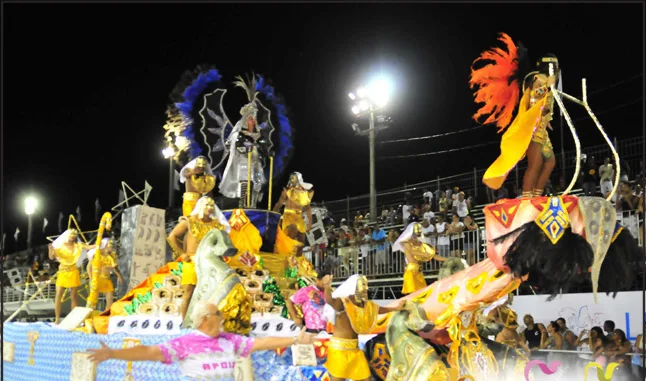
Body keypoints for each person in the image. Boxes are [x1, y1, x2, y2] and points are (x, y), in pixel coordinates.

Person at [88, 300, 316, 380]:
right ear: (206, 319)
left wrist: (295, 339)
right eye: (218, 314)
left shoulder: (231, 341)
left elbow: (262, 343)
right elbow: (148, 352)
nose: (223, 317)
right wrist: (114, 353)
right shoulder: (186, 343)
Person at [470, 33, 560, 198]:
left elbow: (542, 105)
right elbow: (535, 101)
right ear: (551, 67)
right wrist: (547, 93)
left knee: (549, 162)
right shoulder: (540, 80)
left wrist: (546, 120)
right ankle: (527, 198)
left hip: (541, 130)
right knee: (536, 164)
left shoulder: (543, 80)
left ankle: (536, 195)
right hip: (533, 131)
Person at [322, 274, 405, 381]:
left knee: (365, 378)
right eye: (363, 285)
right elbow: (330, 300)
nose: (366, 288)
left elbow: (378, 310)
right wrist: (326, 286)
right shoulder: (343, 303)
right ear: (354, 287)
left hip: (355, 349)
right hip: (339, 349)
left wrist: (396, 308)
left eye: (366, 285)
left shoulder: (366, 305)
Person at [167, 196, 231, 319]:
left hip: (211, 263)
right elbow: (172, 237)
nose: (210, 208)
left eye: (212, 206)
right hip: (192, 261)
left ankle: (206, 322)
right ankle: (184, 322)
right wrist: (182, 253)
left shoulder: (216, 225)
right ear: (201, 206)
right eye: (207, 205)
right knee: (189, 293)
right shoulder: (189, 221)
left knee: (211, 293)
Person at [219, 77, 271, 208]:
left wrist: (265, 149)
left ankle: (252, 207)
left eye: (253, 119)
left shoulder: (258, 135)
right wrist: (251, 145)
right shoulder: (240, 134)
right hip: (243, 165)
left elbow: (263, 148)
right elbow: (239, 146)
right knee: (245, 187)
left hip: (256, 166)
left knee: (256, 188)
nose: (252, 121)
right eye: (250, 119)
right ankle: (243, 206)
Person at [48, 229, 96, 324]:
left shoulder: (77, 246)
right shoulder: (60, 246)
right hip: (62, 272)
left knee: (74, 296)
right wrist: (50, 249)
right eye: (71, 237)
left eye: (74, 237)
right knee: (58, 295)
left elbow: (88, 247)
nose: (72, 238)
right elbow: (52, 257)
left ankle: (73, 319)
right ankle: (57, 318)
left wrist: (98, 244)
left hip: (73, 271)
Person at [393, 222, 447, 295]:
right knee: (412, 295)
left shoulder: (421, 244)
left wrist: (448, 259)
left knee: (421, 295)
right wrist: (425, 254)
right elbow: (412, 252)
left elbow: (433, 255)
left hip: (419, 272)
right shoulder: (407, 243)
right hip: (411, 271)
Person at [285, 258, 336, 334]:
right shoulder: (306, 290)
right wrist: (295, 317)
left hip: (329, 331)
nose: (327, 284)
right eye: (324, 282)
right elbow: (289, 301)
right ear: (317, 280)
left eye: (329, 282)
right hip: (312, 331)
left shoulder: (331, 292)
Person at [273, 172, 314, 245]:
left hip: (299, 217)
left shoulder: (304, 193)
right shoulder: (287, 191)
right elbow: (279, 204)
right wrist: (272, 215)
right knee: (290, 238)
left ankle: (297, 256)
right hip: (288, 217)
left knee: (301, 242)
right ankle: (288, 255)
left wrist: (310, 223)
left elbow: (308, 208)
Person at [86, 238, 124, 310]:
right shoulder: (96, 255)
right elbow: (88, 267)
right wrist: (91, 278)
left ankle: (106, 315)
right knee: (93, 300)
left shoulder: (110, 257)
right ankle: (89, 315)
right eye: (110, 246)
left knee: (110, 299)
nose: (112, 248)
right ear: (106, 246)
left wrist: (119, 277)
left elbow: (114, 268)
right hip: (97, 280)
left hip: (107, 280)